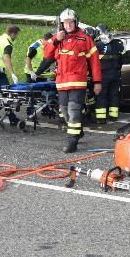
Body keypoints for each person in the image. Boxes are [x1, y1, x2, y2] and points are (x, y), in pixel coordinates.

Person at [33, 9, 102, 153]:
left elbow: (95, 62)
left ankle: (72, 141)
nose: (68, 25)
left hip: (77, 81)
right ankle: (78, 131)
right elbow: (47, 54)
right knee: (64, 111)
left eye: (71, 22)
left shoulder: (85, 39)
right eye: (66, 23)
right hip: (62, 82)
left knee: (74, 110)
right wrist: (56, 39)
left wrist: (97, 82)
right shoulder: (57, 39)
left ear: (76, 22)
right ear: (62, 24)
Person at [93, 24, 124, 124]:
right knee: (114, 95)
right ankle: (113, 116)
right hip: (115, 73)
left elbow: (93, 61)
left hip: (103, 74)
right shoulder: (117, 43)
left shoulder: (97, 44)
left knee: (101, 95)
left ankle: (101, 119)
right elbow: (122, 58)